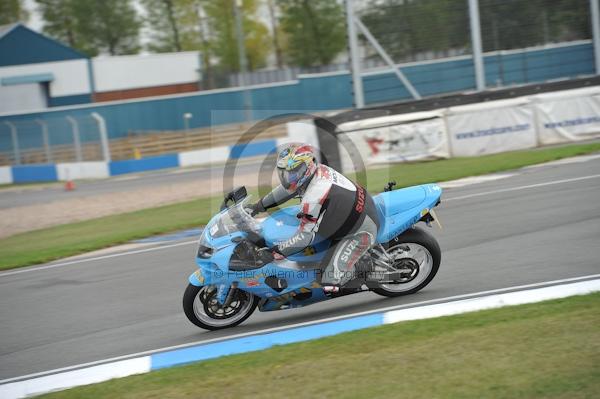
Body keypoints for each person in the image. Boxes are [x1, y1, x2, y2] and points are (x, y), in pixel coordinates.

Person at [248, 143, 380, 293]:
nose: (288, 178)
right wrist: (258, 206)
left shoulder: (314, 194)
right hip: (352, 210)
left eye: (293, 172)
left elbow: (304, 238)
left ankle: (363, 268)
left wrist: (275, 251)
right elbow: (286, 190)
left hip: (361, 228)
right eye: (284, 173)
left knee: (328, 281)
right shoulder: (315, 171)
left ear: (306, 168)